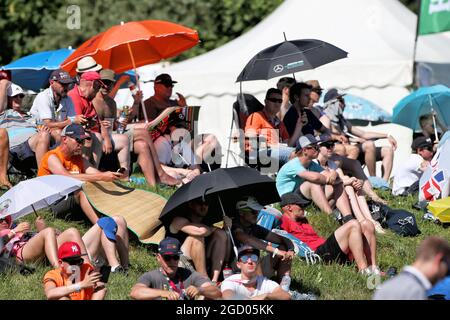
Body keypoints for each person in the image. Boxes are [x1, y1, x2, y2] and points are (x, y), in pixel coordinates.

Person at [38, 123, 124, 224]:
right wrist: (102, 176)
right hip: (51, 203)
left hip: (68, 199)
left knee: (98, 185)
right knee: (81, 191)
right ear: (65, 139)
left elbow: (96, 174)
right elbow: (66, 177)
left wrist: (112, 176)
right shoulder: (52, 157)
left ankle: (115, 217)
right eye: (78, 140)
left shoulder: (79, 159)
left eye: (83, 141)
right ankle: (101, 226)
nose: (81, 144)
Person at [279, 192, 380, 274]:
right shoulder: (283, 221)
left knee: (367, 224)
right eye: (300, 205)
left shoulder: (303, 220)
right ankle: (363, 270)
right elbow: (279, 239)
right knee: (353, 224)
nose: (303, 207)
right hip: (318, 254)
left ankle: (373, 268)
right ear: (289, 208)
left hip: (327, 248)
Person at [321, 89, 397, 181]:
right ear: (332, 103)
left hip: (351, 150)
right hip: (339, 152)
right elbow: (325, 139)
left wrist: (387, 135)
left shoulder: (343, 121)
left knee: (387, 150)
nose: (344, 104)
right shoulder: (325, 119)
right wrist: (351, 139)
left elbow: (363, 134)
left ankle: (383, 184)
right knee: (369, 144)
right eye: (341, 100)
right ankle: (373, 180)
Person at [315, 134, 385, 233]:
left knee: (354, 185)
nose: (330, 148)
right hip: (322, 201)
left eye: (332, 145)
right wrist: (349, 180)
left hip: (335, 198)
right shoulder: (314, 164)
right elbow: (329, 182)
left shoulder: (331, 163)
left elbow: (342, 177)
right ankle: (361, 220)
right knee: (348, 184)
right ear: (318, 147)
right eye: (327, 145)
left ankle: (370, 220)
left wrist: (355, 181)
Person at [275, 134, 354, 220]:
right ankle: (331, 218)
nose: (318, 149)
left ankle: (348, 218)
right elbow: (315, 177)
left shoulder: (311, 164)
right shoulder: (294, 164)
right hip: (287, 201)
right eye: (315, 147)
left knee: (337, 185)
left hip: (301, 198)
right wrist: (330, 178)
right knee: (312, 184)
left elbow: (328, 175)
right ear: (305, 150)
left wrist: (334, 173)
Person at [129, 237, 221, 300]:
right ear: (158, 258)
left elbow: (217, 292)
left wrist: (200, 290)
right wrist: (163, 293)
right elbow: (135, 292)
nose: (172, 261)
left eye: (176, 257)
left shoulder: (189, 274)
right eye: (167, 258)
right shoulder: (151, 276)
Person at [166, 198, 231, 283]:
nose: (204, 206)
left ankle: (215, 280)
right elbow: (201, 231)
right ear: (191, 204)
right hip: (179, 262)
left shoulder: (207, 222)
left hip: (202, 262)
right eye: (200, 203)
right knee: (197, 237)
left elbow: (227, 257)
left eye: (206, 203)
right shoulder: (178, 220)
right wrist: (213, 228)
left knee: (220, 234)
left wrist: (227, 231)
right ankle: (204, 280)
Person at [232, 196, 295, 283]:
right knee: (250, 250)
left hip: (253, 266)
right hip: (236, 269)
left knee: (283, 247)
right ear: (241, 213)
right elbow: (247, 239)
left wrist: (290, 250)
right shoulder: (233, 225)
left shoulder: (254, 227)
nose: (257, 214)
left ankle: (284, 284)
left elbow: (282, 239)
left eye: (258, 211)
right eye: (253, 211)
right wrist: (275, 251)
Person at [373, 236, 450, 300]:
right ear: (438, 260)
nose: (443, 277)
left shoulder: (388, 285)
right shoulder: (415, 291)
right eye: (446, 270)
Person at [0, 215, 88, 268]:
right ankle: (58, 269)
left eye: (5, 219)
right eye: (0, 220)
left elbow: (40, 238)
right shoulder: (10, 231)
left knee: (72, 232)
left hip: (38, 251)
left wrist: (42, 229)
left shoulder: (16, 229)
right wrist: (14, 231)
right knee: (48, 231)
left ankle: (88, 267)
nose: (4, 221)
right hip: (19, 253)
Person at [0, 80, 51, 172]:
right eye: (15, 96)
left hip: (34, 142)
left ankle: (73, 170)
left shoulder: (30, 115)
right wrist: (4, 84)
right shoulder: (4, 114)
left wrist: (44, 128)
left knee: (57, 134)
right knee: (43, 136)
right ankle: (44, 176)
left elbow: (43, 127)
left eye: (21, 96)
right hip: (15, 148)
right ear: (7, 98)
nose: (18, 98)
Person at [29, 69, 86, 143]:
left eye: (68, 84)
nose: (66, 87)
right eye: (63, 84)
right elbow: (48, 124)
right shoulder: (43, 97)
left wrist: (83, 123)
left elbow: (72, 122)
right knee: (59, 134)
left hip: (54, 131)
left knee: (86, 135)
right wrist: (72, 121)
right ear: (52, 82)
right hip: (36, 132)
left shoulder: (68, 98)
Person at [92, 69, 131, 177]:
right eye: (104, 82)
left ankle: (125, 175)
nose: (106, 86)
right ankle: (93, 175)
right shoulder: (92, 100)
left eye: (109, 83)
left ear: (113, 85)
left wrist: (119, 125)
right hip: (95, 135)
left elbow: (114, 126)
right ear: (98, 82)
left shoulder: (112, 103)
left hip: (109, 135)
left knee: (125, 139)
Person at [244, 88, 296, 168]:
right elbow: (250, 139)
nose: (277, 103)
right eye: (273, 100)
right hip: (259, 153)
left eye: (280, 101)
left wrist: (300, 125)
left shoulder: (280, 123)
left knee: (303, 153)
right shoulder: (257, 116)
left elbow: (288, 144)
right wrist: (272, 145)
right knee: (295, 155)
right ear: (265, 101)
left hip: (277, 151)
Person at [68, 71, 108, 168]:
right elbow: (77, 125)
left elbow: (94, 121)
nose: (98, 91)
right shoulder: (74, 95)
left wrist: (91, 123)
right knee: (87, 136)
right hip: (69, 133)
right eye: (98, 87)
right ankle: (82, 170)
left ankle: (93, 169)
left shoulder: (87, 99)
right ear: (93, 84)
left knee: (96, 136)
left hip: (80, 132)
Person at [221, 245, 290, 300]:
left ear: (258, 262)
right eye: (245, 258)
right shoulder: (230, 281)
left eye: (254, 257)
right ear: (238, 265)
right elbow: (228, 297)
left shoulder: (265, 282)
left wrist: (266, 295)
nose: (250, 261)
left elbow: (286, 296)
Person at [153, 111, 201, 184]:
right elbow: (159, 167)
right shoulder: (162, 142)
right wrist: (184, 172)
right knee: (173, 174)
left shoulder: (183, 144)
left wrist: (194, 173)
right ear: (170, 127)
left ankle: (182, 184)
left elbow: (195, 167)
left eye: (184, 127)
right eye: (178, 127)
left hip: (180, 177)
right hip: (163, 176)